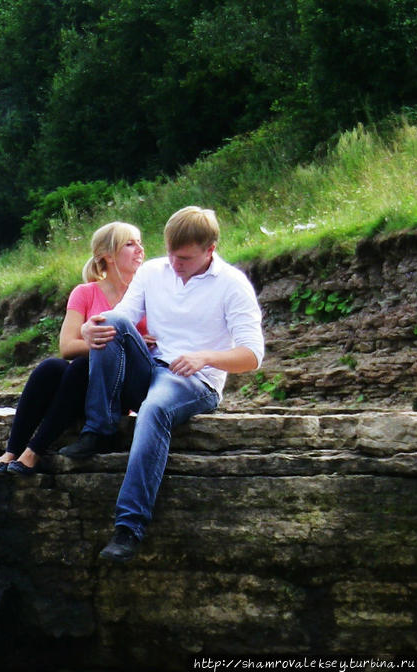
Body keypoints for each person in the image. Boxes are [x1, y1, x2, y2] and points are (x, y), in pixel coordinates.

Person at [59, 206, 264, 564]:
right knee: (111, 323)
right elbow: (123, 316)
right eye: (170, 252)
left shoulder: (232, 284)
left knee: (154, 410)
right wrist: (93, 327)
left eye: (184, 257)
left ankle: (129, 527)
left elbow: (251, 355)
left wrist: (205, 357)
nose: (174, 262)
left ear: (210, 249)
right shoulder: (154, 271)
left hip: (195, 380)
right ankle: (100, 427)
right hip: (152, 367)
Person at [0, 222, 146, 476]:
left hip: (119, 388)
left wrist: (108, 346)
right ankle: (13, 449)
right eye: (130, 244)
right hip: (84, 382)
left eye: (140, 243)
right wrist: (102, 346)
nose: (140, 249)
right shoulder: (85, 293)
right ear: (107, 255)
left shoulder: (144, 294)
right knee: (51, 367)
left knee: (83, 366)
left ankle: (33, 451)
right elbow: (67, 346)